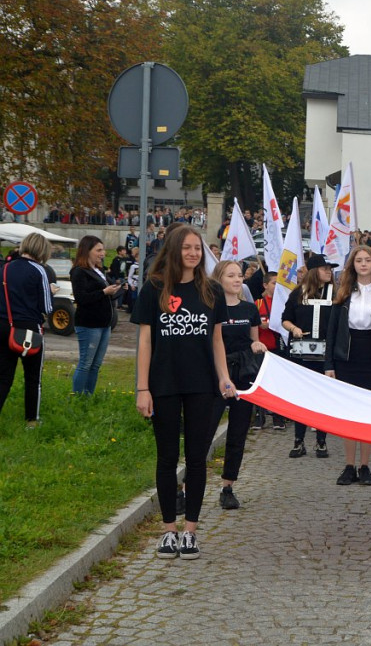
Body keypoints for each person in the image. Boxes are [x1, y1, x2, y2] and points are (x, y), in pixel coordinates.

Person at [132, 225, 234, 560]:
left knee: (196, 459)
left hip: (201, 385)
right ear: (174, 250)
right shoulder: (154, 288)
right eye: (187, 248)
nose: (193, 254)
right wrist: (142, 387)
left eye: (197, 249)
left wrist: (224, 378)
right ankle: (168, 530)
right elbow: (145, 341)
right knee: (166, 457)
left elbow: (217, 339)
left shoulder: (212, 291)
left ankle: (190, 531)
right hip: (163, 384)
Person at [326, 246, 371, 486]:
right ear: (352, 265)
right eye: (359, 260)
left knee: (367, 414)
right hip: (347, 356)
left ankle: (365, 466)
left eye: (368, 260)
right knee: (348, 414)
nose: (363, 264)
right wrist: (329, 364)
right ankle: (348, 465)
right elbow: (332, 332)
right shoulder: (343, 293)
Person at [209, 260, 267, 509]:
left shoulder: (249, 309)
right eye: (230, 275)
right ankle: (188, 488)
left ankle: (228, 487)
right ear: (219, 279)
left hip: (244, 375)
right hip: (217, 374)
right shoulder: (211, 308)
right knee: (204, 432)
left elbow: (254, 341)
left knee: (238, 433)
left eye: (240, 275)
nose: (237, 280)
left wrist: (257, 345)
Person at [281, 253, 337, 458]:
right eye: (325, 268)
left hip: (325, 354)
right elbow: (285, 319)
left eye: (330, 269)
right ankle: (299, 441)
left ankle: (321, 442)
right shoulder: (298, 293)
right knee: (301, 398)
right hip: (300, 354)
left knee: (322, 398)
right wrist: (294, 328)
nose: (329, 272)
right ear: (315, 271)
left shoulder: (336, 293)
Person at [0, 233, 52, 426]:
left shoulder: (5, 268)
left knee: (4, 376)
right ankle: (32, 420)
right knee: (33, 378)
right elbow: (47, 307)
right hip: (29, 330)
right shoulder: (39, 271)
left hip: (4, 325)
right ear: (42, 250)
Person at [70, 235, 123, 395]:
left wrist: (119, 290)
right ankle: (78, 397)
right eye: (98, 250)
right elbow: (81, 298)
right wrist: (103, 292)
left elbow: (107, 295)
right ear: (87, 251)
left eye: (103, 250)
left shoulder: (98, 270)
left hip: (104, 324)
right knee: (86, 363)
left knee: (96, 365)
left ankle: (88, 396)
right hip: (89, 324)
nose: (103, 253)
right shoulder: (79, 271)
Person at [254, 270, 282, 429]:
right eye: (274, 283)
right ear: (265, 285)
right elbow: (252, 324)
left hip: (278, 349)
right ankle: (259, 415)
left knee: (277, 383)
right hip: (262, 349)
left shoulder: (282, 302)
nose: (276, 286)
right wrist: (259, 325)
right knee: (260, 382)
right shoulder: (257, 304)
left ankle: (279, 416)